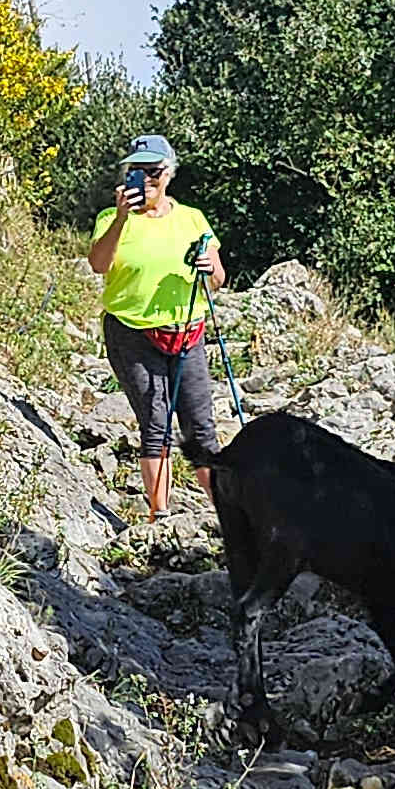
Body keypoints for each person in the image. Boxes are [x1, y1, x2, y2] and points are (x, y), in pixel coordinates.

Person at [88, 135, 229, 523]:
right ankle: (160, 514)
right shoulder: (110, 218)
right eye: (135, 171)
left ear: (167, 174)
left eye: (151, 172)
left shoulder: (192, 219)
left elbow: (218, 277)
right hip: (132, 333)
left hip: (188, 332)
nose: (143, 180)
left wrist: (207, 269)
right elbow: (99, 264)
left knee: (201, 430)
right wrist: (120, 217)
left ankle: (228, 515)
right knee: (155, 423)